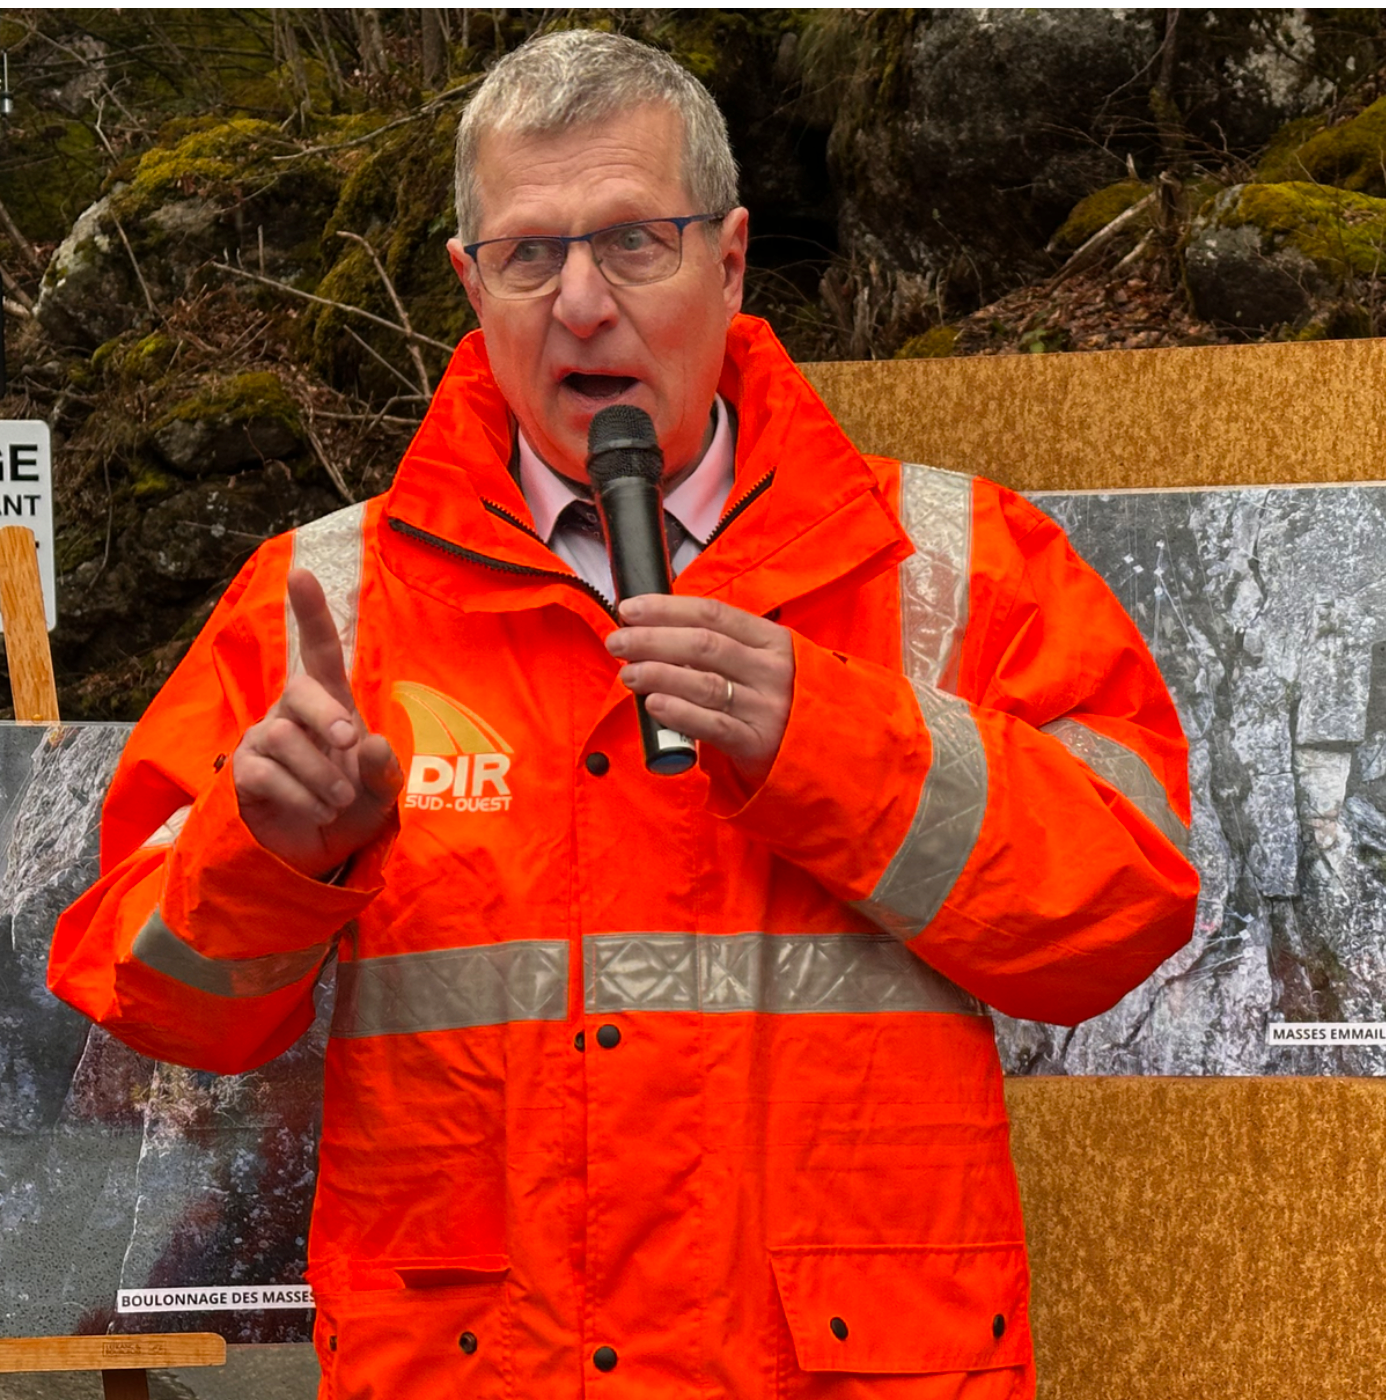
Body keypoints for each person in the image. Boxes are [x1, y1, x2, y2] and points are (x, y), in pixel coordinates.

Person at [50, 28, 1198, 1400]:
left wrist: (836, 743)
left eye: (635, 243)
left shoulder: (957, 562)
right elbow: (151, 1011)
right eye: (532, 255)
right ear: (473, 285)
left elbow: (1126, 914)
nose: (581, 302)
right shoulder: (319, 602)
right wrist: (271, 853)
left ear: (728, 258)